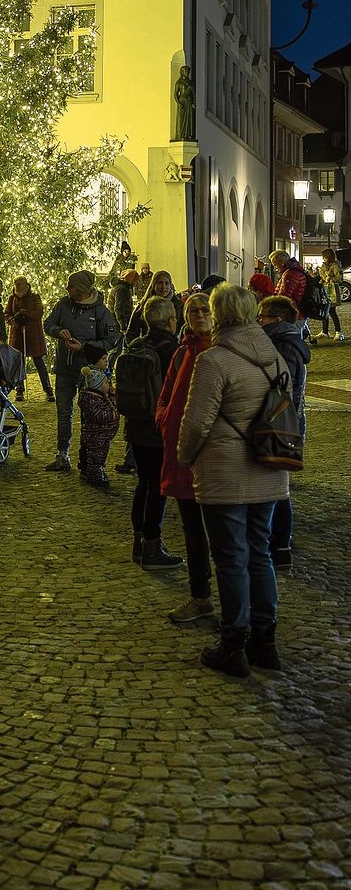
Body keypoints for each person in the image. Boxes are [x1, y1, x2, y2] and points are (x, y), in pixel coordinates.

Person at [178, 282, 291, 678]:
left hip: (224, 474)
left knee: (229, 559)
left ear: (220, 314)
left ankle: (234, 644)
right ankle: (266, 642)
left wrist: (184, 458)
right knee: (259, 553)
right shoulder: (274, 359)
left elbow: (195, 423)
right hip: (268, 470)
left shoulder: (215, 360)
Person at [155, 292, 215, 624]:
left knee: (220, 531)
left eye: (205, 309)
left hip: (211, 457)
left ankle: (235, 604)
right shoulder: (181, 352)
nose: (198, 314)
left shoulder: (220, 351)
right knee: (192, 529)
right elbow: (166, 393)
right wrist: (164, 419)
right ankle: (200, 594)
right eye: (192, 310)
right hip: (179, 452)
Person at [117, 297, 182, 569]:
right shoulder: (172, 350)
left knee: (143, 484)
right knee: (158, 487)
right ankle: (152, 547)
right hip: (158, 427)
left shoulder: (135, 345)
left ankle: (139, 541)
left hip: (135, 424)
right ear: (170, 321)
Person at [43, 271, 119, 471]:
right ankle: (62, 455)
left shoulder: (101, 312)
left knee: (89, 417)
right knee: (63, 412)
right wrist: (58, 331)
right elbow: (48, 324)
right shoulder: (63, 304)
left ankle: (87, 460)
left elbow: (110, 341)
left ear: (83, 289)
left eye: (72, 285)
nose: (67, 288)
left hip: (89, 374)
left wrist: (84, 347)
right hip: (64, 369)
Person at [257, 295, 309, 570]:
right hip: (286, 422)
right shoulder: (285, 340)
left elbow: (283, 390)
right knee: (277, 487)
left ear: (277, 320)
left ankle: (280, 546)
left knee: (278, 489)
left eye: (262, 317)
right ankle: (279, 545)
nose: (258, 321)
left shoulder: (283, 346)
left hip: (280, 423)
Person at [5, 276, 53, 402]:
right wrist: (13, 321)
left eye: (20, 284)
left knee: (39, 361)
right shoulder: (12, 298)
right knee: (19, 362)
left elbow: (39, 312)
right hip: (18, 333)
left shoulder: (34, 297)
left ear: (25, 284)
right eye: (16, 284)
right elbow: (7, 313)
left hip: (33, 334)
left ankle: (48, 389)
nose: (18, 286)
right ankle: (19, 389)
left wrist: (26, 313)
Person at [76, 344, 118, 489]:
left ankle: (89, 469)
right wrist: (112, 413)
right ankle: (93, 473)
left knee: (93, 451)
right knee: (95, 453)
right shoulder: (92, 382)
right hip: (95, 431)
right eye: (103, 358)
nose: (106, 361)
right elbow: (96, 412)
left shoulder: (100, 375)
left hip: (99, 432)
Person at [125, 269, 184, 341]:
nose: (163, 287)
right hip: (149, 347)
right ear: (153, 285)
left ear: (171, 286)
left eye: (166, 283)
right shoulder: (143, 305)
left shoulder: (179, 305)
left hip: (171, 348)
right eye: (160, 283)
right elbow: (131, 332)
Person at [268, 250, 307, 317]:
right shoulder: (295, 270)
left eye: (275, 265)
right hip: (298, 311)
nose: (275, 269)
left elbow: (284, 296)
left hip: (292, 313)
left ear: (282, 262)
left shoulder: (290, 274)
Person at [319, 248, 344, 340]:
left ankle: (338, 332)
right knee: (324, 311)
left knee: (332, 311)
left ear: (329, 257)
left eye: (324, 257)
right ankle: (325, 331)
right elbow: (322, 276)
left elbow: (340, 279)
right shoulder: (323, 266)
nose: (323, 259)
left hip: (332, 290)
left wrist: (330, 279)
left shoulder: (335, 266)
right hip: (324, 290)